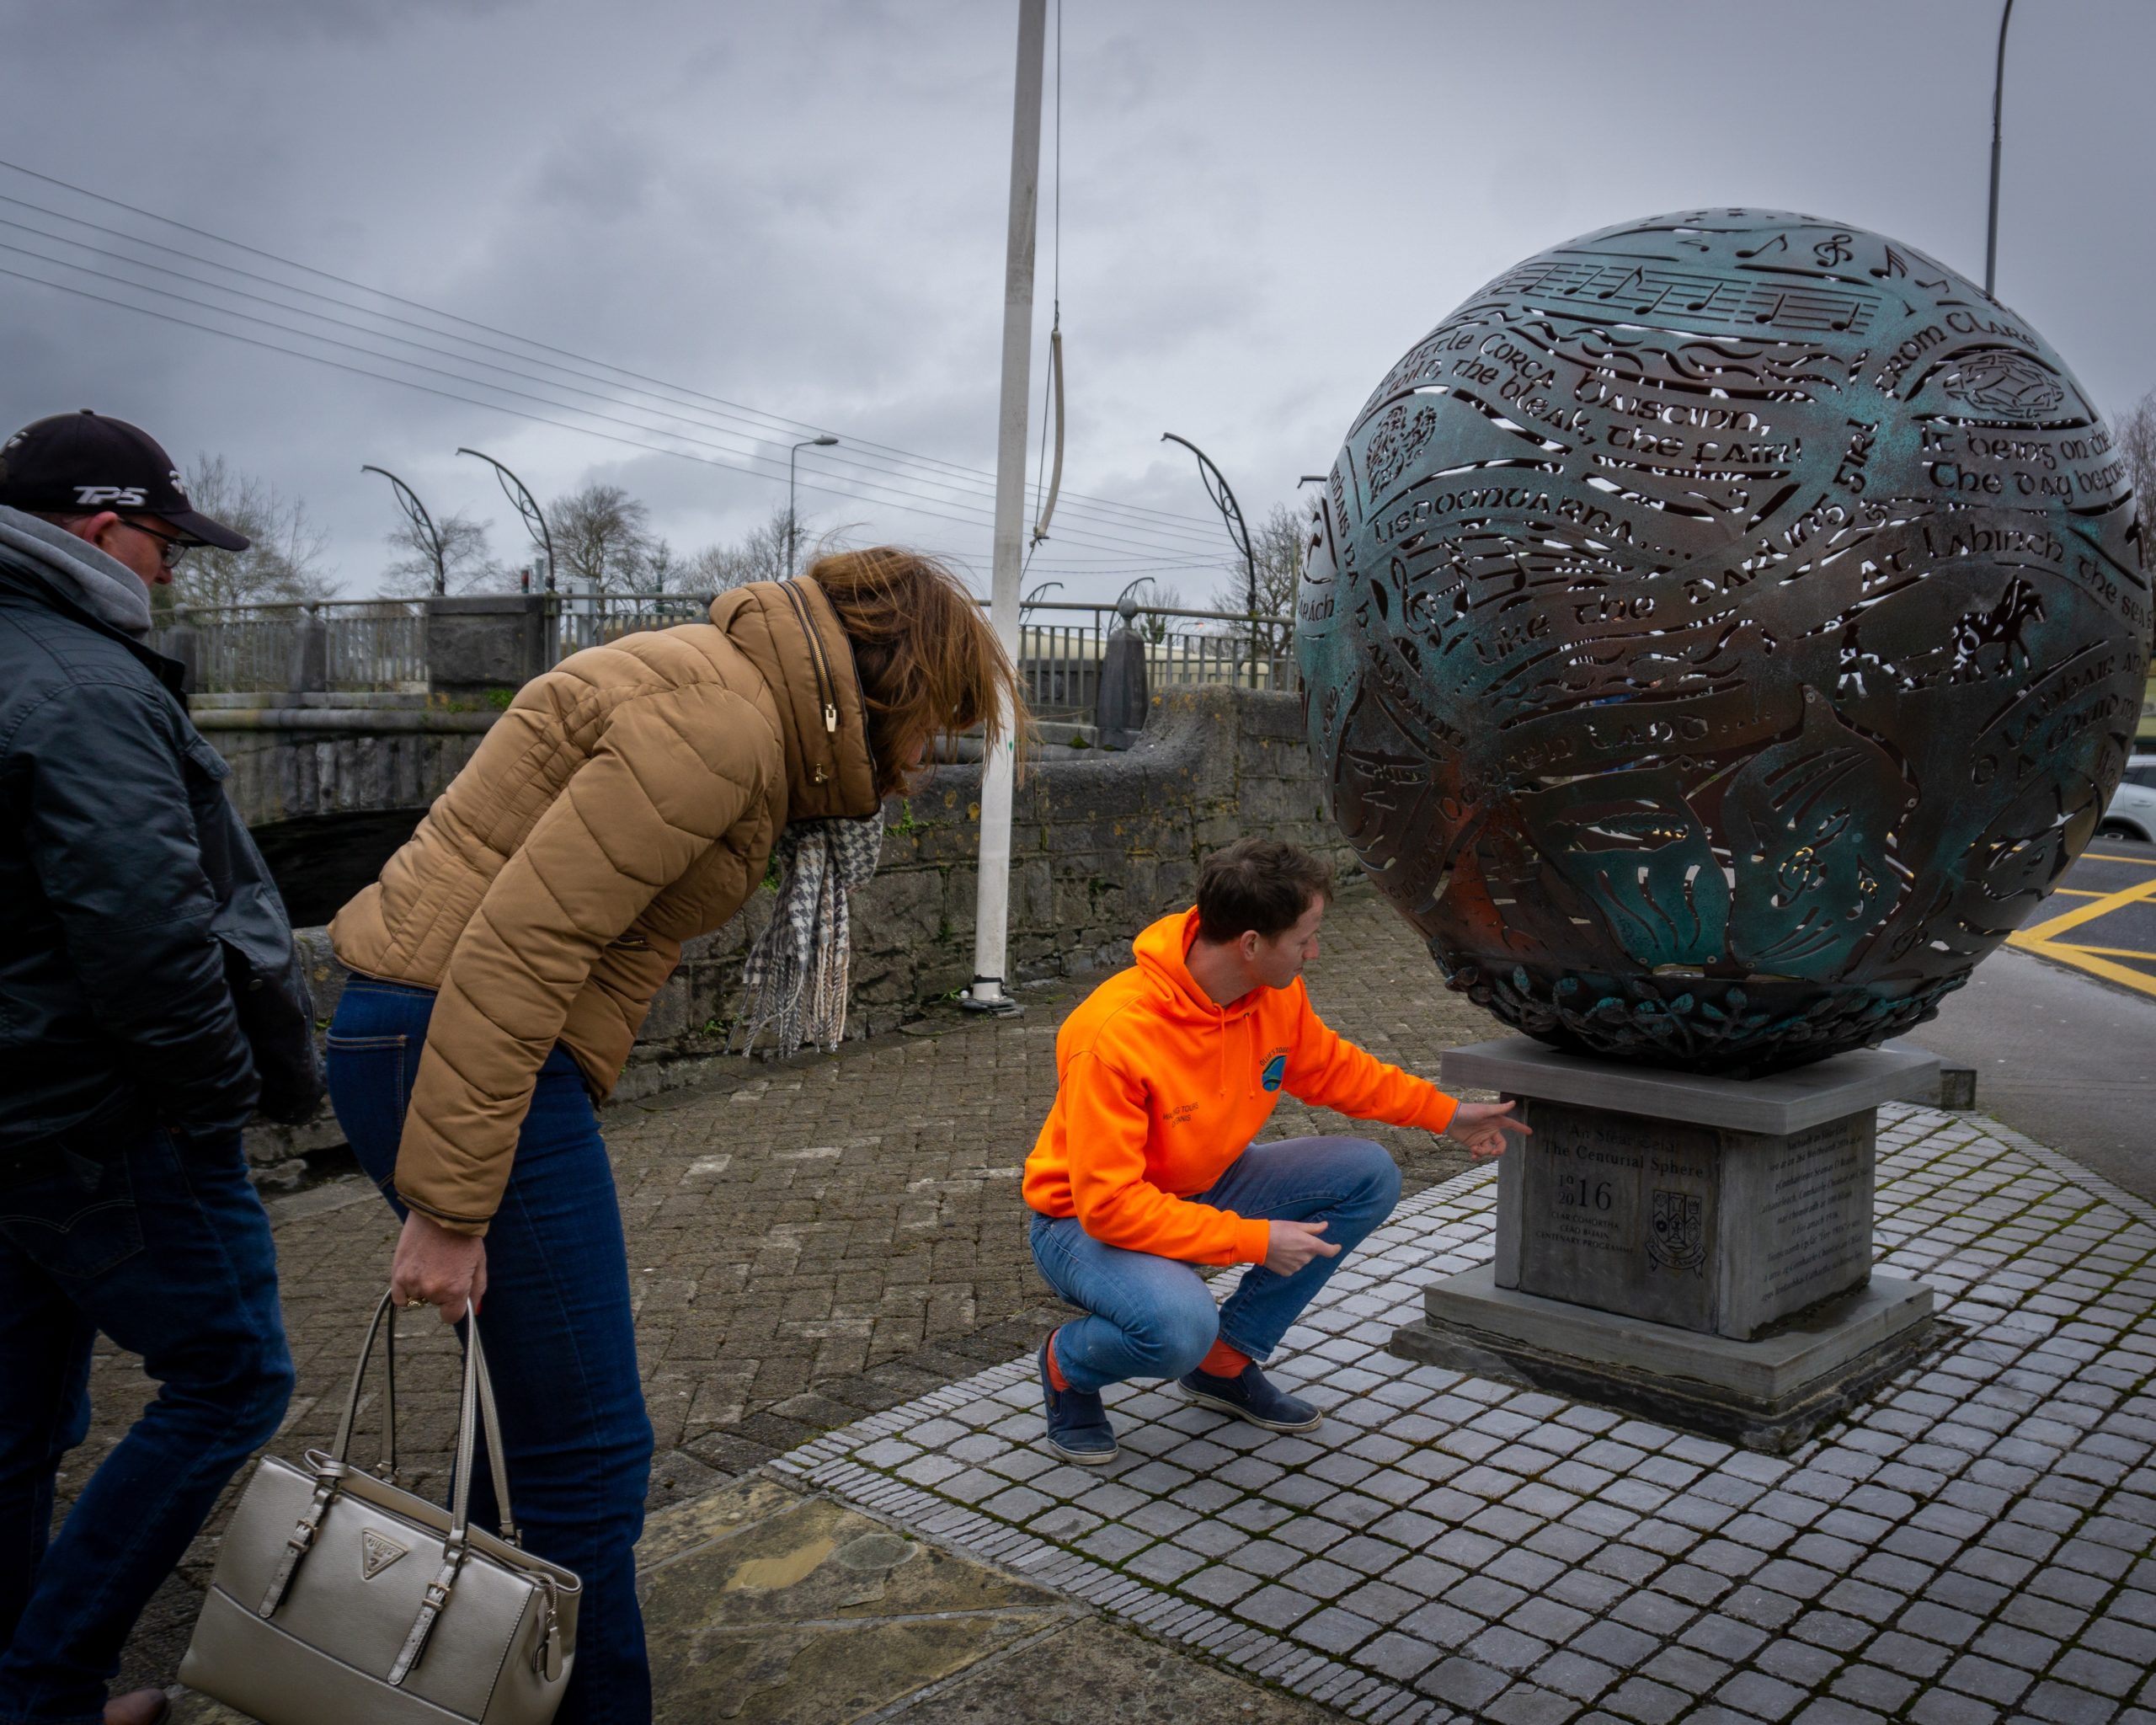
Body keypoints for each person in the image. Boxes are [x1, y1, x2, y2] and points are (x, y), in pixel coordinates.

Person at [323, 547, 1020, 1725]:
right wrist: (450, 1211)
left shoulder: (727, 697)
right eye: (935, 728)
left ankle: (465, 1681)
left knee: (538, 1433)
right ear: (889, 686)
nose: (925, 765)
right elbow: (521, 948)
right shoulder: (721, 728)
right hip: (462, 1042)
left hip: (440, 1038)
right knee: (591, 1448)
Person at [0, 411, 319, 1725]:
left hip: (18, 1115)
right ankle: (48, 1681)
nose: (172, 570)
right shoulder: (80, 682)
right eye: (159, 539)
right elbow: (145, 930)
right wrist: (211, 1102)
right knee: (236, 1375)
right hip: (99, 1118)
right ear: (97, 529)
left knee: (18, 1425)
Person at [1022, 838, 1529, 1462]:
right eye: (1305, 938)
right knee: (1176, 1327)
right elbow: (1111, 1209)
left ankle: (1224, 1362)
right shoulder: (1111, 1036)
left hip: (1200, 1184)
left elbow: (1335, 1072)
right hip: (1082, 1223)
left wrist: (1448, 1115)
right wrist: (1257, 1240)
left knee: (1366, 1174)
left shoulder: (1273, 993)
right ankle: (1069, 1367)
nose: (1316, 952)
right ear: (1252, 944)